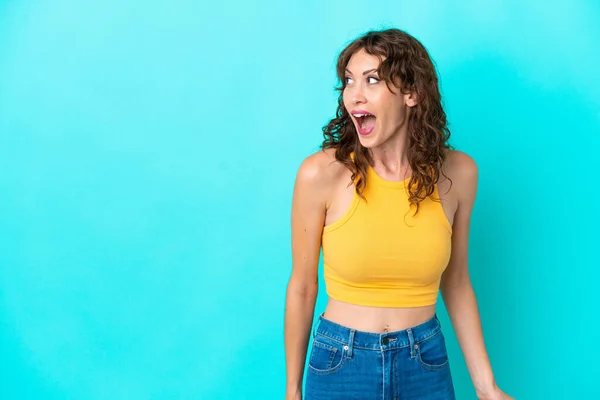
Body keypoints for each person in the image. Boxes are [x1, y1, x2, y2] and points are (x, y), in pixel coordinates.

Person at [283, 28, 514, 400]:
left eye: (372, 80)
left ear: (412, 93)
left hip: (425, 362)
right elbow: (303, 287)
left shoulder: (459, 174)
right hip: (341, 362)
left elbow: (455, 283)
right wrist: (292, 393)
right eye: (348, 81)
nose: (354, 95)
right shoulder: (320, 174)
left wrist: (486, 387)